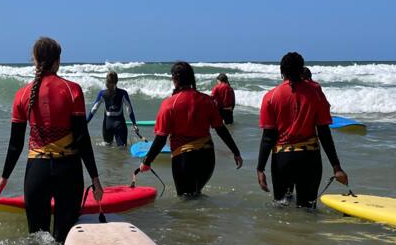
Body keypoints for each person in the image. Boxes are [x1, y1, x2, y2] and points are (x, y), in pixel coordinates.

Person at [0, 37, 104, 243]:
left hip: (36, 172)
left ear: (34, 60)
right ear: (57, 61)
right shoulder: (72, 90)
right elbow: (82, 138)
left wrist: (4, 178)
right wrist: (95, 178)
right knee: (65, 240)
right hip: (68, 170)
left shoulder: (22, 94)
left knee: (37, 240)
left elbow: (15, 144)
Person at [133, 62, 242, 196]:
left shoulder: (169, 104)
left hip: (185, 159)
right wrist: (236, 152)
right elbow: (221, 129)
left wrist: (147, 162)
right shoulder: (207, 100)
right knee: (196, 195)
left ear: (175, 79)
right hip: (208, 158)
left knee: (186, 200)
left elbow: (161, 139)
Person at [256, 52, 348, 208]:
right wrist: (336, 167)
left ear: (282, 71)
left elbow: (268, 137)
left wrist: (260, 169)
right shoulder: (316, 93)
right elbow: (324, 132)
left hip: (283, 159)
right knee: (308, 208)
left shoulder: (271, 96)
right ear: (301, 70)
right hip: (309, 158)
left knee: (281, 206)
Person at [86, 71, 137, 146]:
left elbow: (94, 109)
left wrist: (86, 122)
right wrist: (134, 124)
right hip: (120, 125)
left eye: (106, 81)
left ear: (107, 82)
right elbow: (129, 110)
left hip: (107, 125)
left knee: (107, 147)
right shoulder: (123, 93)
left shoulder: (102, 94)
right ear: (116, 81)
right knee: (122, 148)